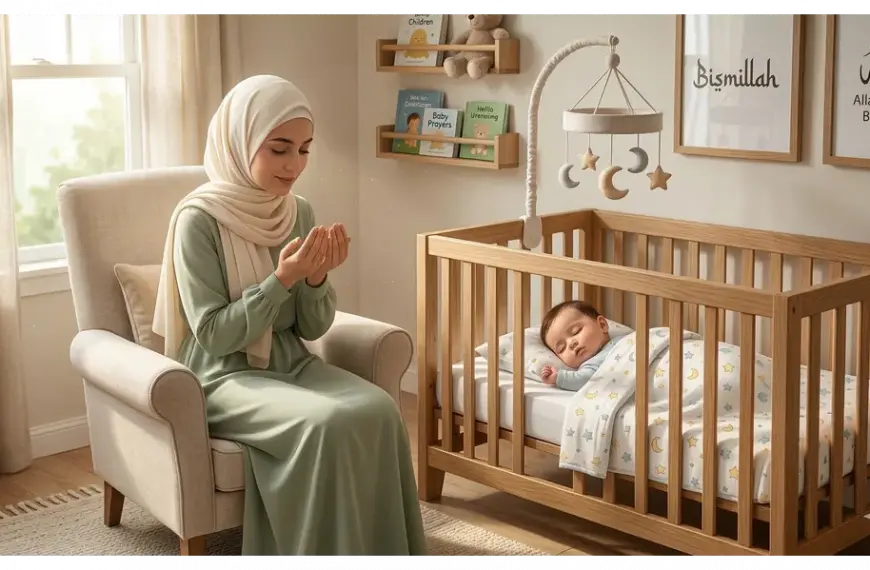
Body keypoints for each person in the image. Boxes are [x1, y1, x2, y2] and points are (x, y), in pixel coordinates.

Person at [151, 74, 427, 556]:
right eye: (280, 148)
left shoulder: (297, 211)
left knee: (381, 410)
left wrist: (317, 279)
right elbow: (214, 335)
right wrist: (280, 280)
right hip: (222, 377)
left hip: (291, 362)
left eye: (304, 149)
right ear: (241, 142)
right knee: (325, 424)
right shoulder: (198, 219)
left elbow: (312, 328)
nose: (294, 164)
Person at [538, 300, 626, 392]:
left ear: (602, 325)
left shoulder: (625, 339)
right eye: (562, 348)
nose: (571, 344)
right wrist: (557, 377)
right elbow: (582, 380)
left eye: (576, 331)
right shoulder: (591, 365)